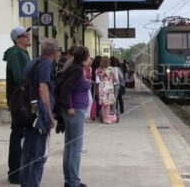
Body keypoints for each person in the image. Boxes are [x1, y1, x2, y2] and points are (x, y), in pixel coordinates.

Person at [19, 38, 59, 187]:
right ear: (55, 52)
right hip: (39, 114)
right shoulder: (46, 64)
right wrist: (50, 114)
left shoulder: (33, 62)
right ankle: (32, 184)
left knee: (28, 152)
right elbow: (43, 89)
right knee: (38, 154)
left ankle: (26, 183)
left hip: (29, 112)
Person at [57, 46, 90, 187]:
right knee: (75, 147)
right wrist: (69, 107)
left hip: (74, 110)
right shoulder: (77, 70)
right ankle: (73, 182)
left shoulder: (73, 67)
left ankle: (69, 180)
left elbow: (68, 86)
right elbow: (66, 89)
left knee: (70, 146)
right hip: (75, 111)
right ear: (85, 57)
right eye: (89, 56)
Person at [3, 26, 31, 184]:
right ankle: (14, 172)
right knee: (18, 135)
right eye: (25, 35)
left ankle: (18, 169)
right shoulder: (15, 54)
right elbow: (21, 78)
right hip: (19, 99)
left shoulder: (22, 53)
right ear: (17, 39)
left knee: (20, 134)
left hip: (21, 98)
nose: (28, 37)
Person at [96, 56, 117, 124]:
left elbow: (99, 78)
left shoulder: (99, 69)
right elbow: (115, 78)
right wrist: (111, 79)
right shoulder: (111, 69)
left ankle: (104, 118)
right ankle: (107, 119)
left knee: (103, 104)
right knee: (107, 104)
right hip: (108, 87)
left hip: (101, 86)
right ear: (108, 62)